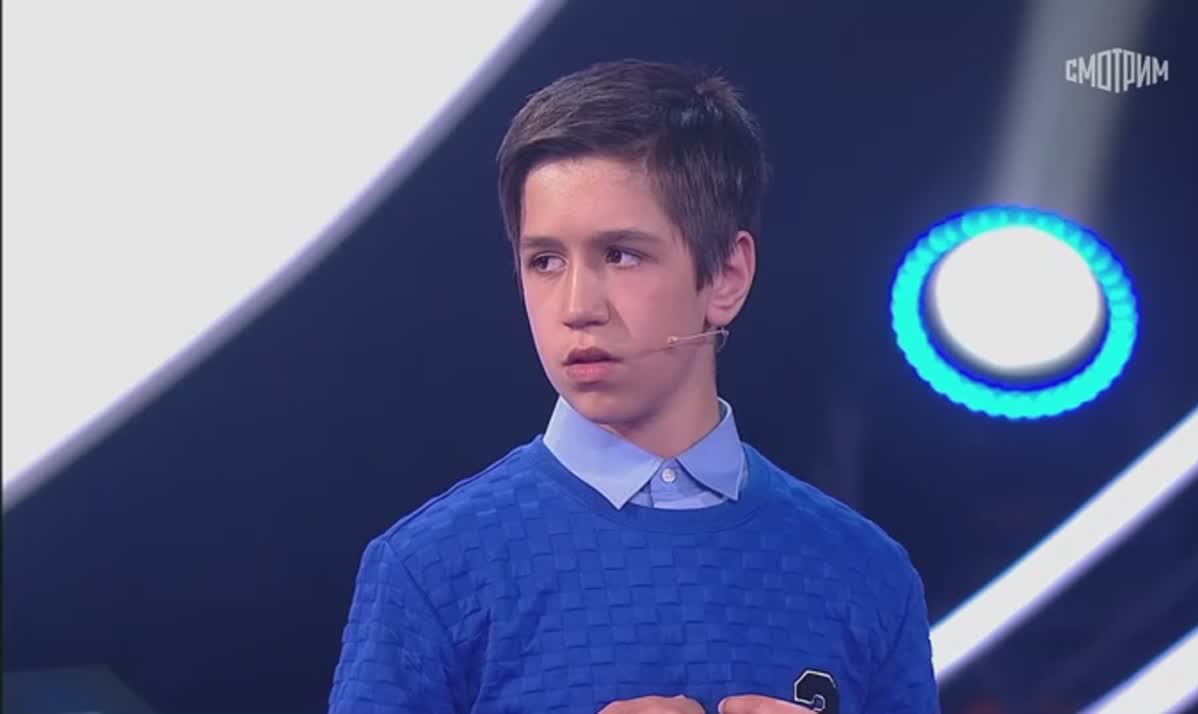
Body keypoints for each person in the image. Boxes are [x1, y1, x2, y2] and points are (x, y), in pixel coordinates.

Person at [329, 59, 940, 714]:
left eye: (620, 255)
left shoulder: (865, 573)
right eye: (545, 261)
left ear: (727, 276)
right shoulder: (429, 570)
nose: (576, 306)